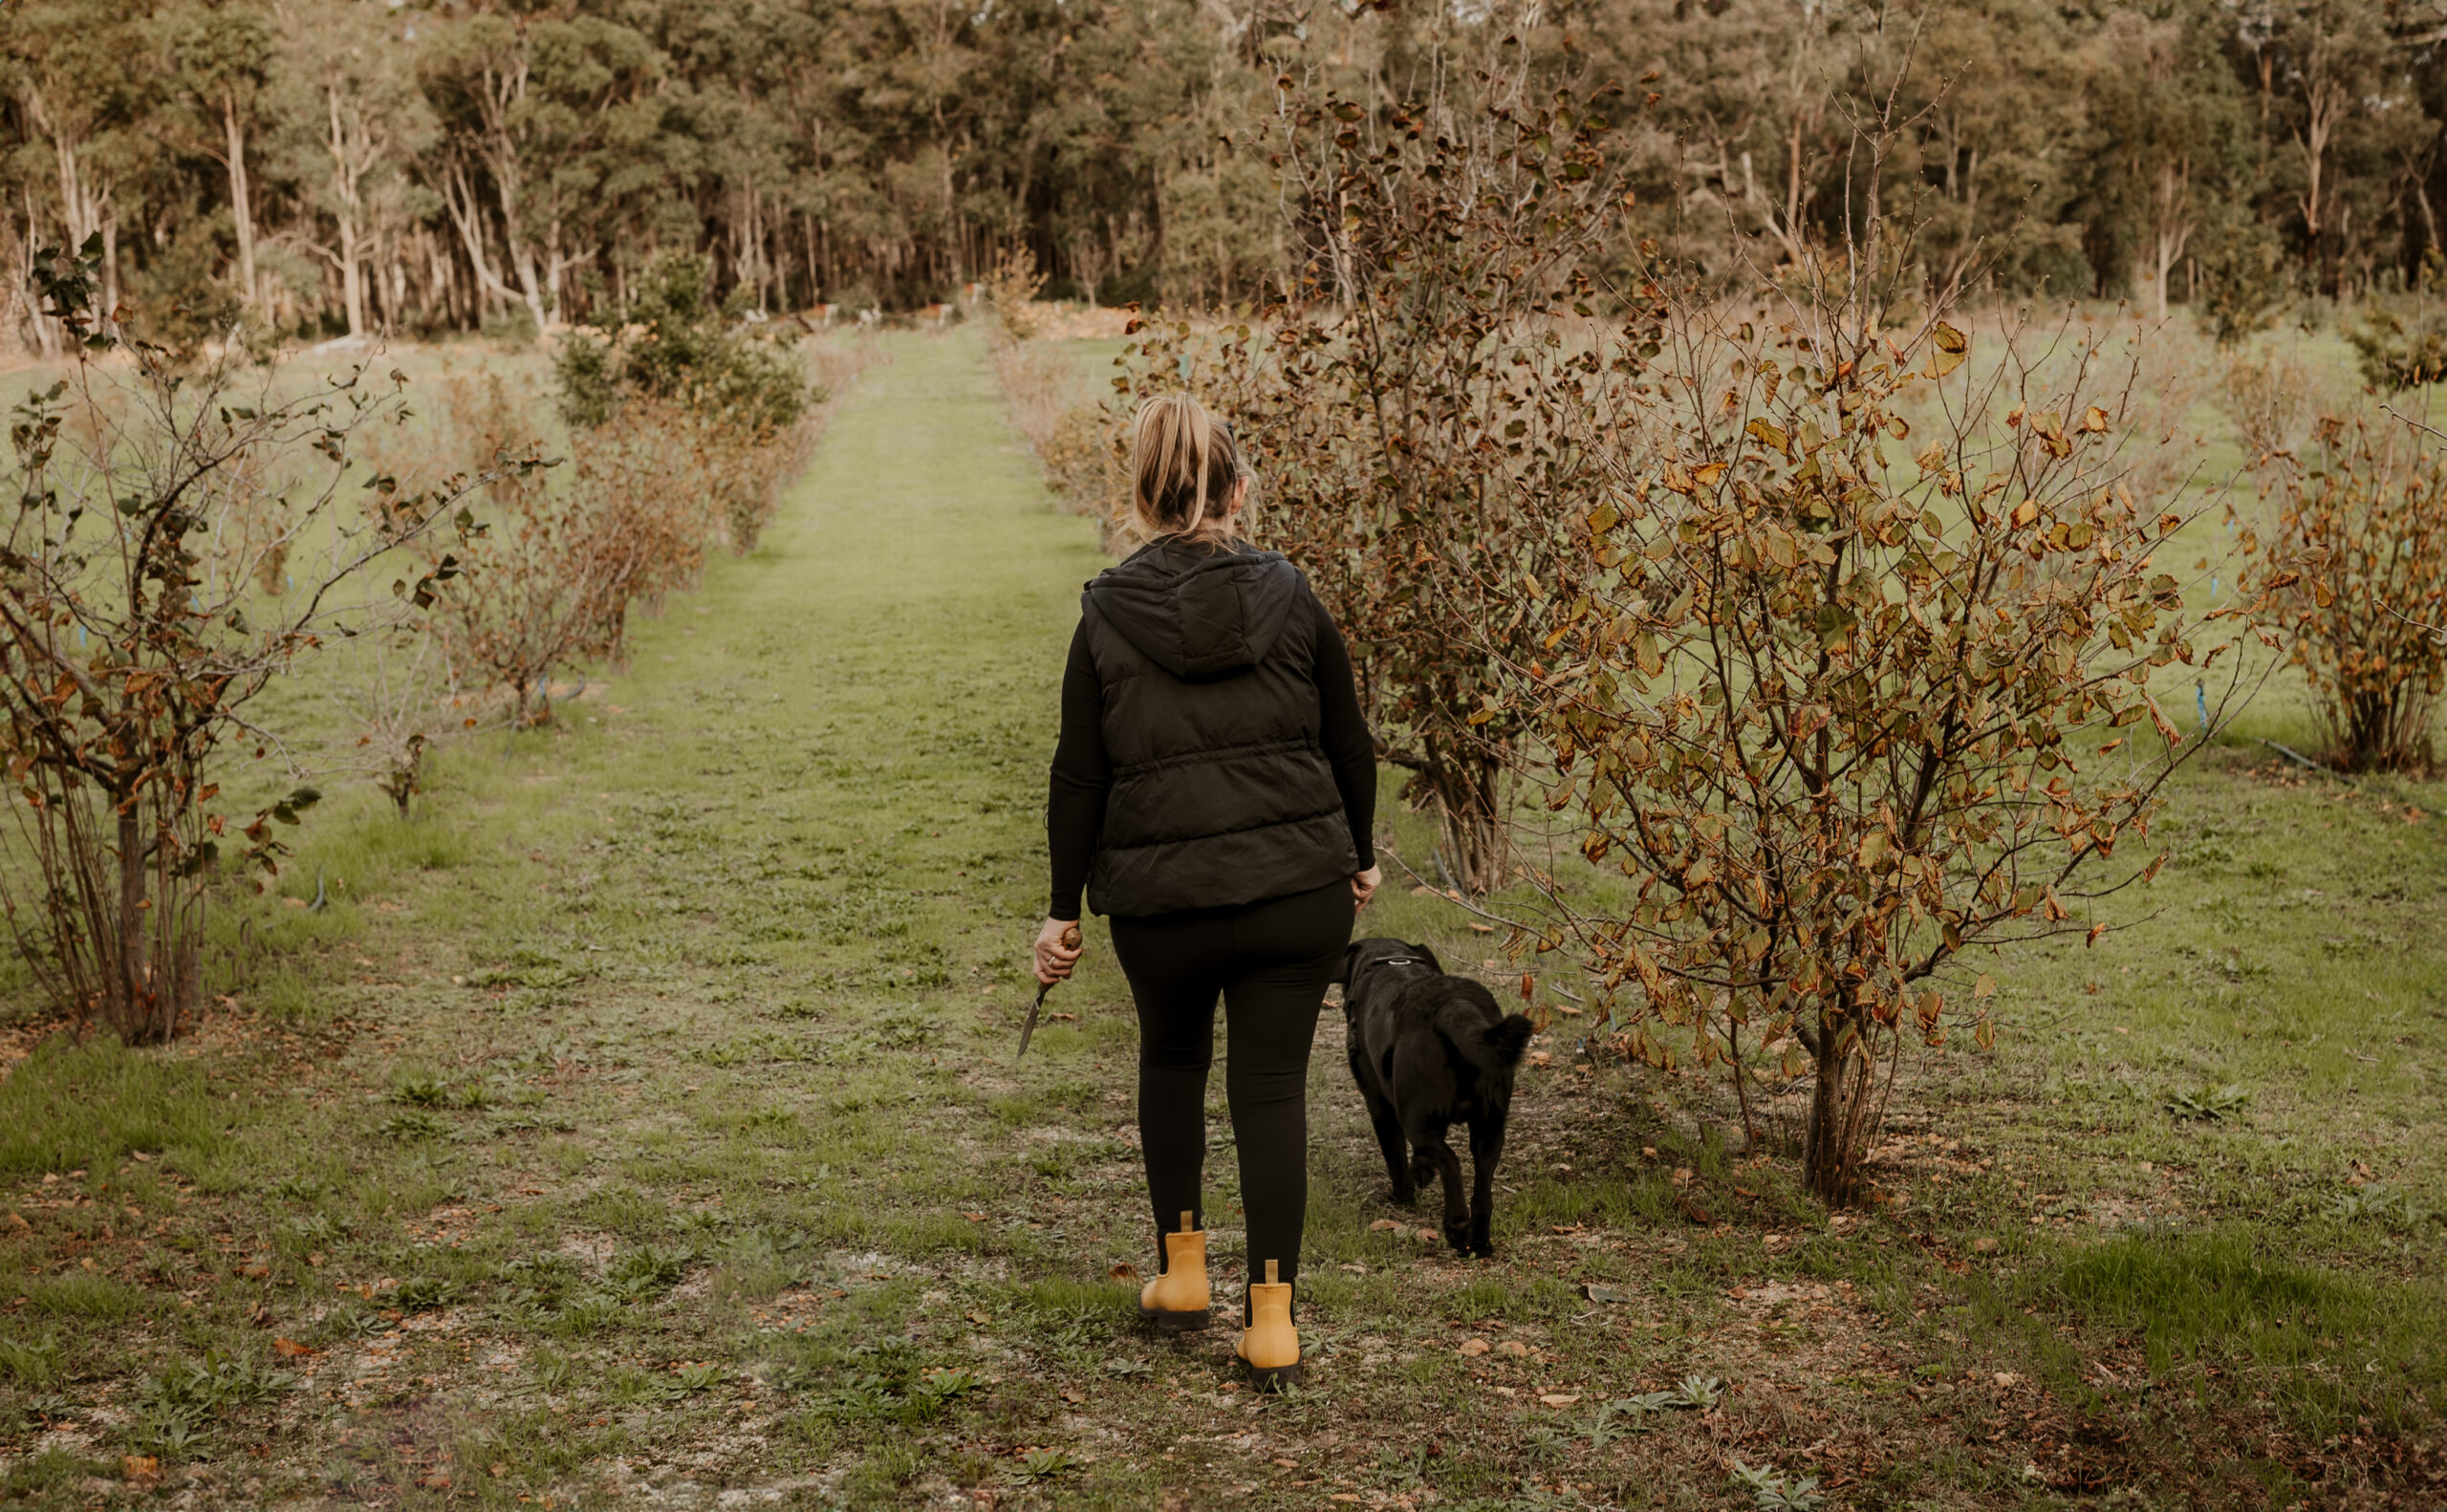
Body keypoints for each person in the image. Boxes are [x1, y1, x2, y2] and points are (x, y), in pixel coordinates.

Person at [1034, 392, 1380, 1390]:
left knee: (1173, 1062)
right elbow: (1347, 739)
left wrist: (1062, 910)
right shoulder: (1294, 595)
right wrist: (1356, 852)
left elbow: (1079, 773)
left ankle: (1184, 1274)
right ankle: (1270, 1321)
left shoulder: (1106, 611)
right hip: (1293, 889)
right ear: (1237, 490)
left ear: (1144, 497)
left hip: (1163, 903)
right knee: (1269, 1089)